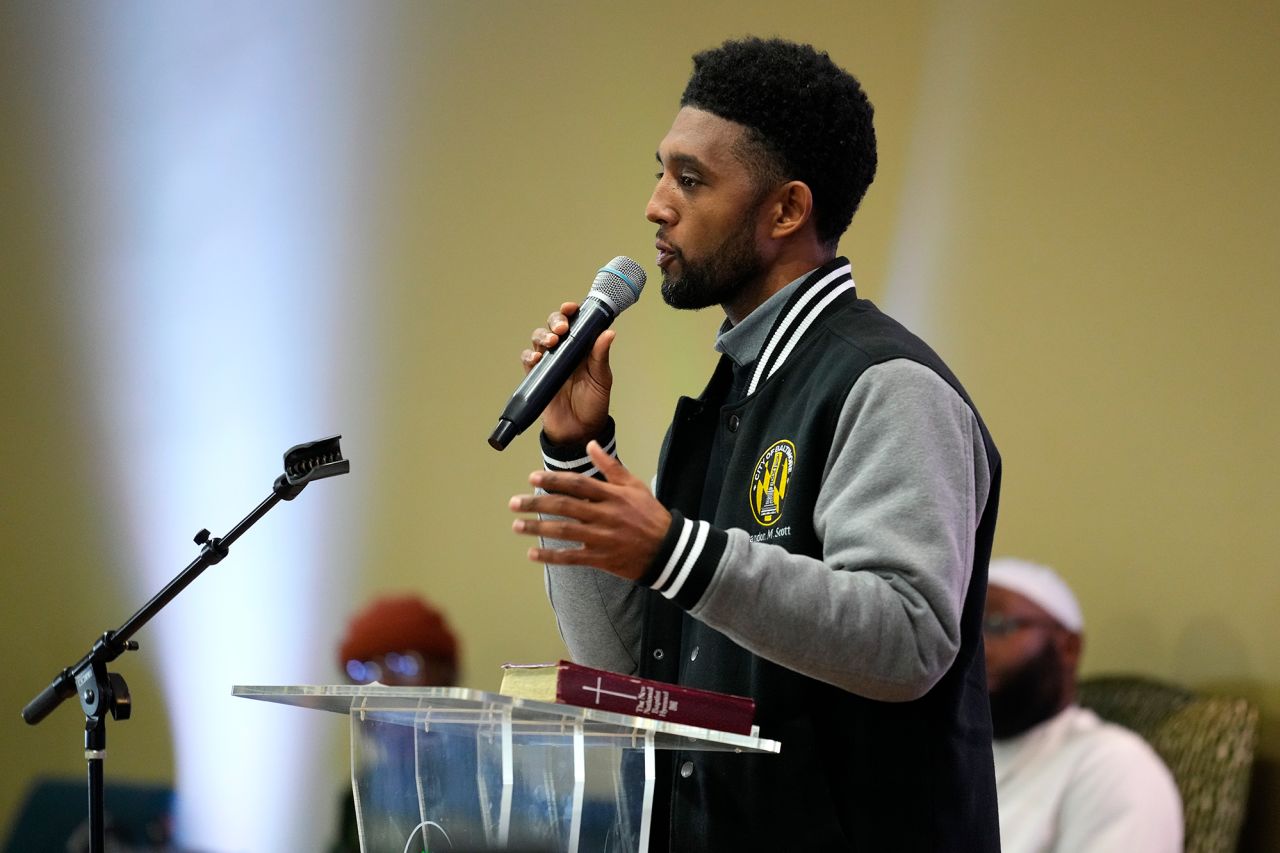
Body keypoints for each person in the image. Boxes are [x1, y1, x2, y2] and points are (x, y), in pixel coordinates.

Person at [509, 37, 1002, 850]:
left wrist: (679, 552)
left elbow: (910, 637)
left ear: (786, 210)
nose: (656, 205)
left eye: (691, 179)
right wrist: (574, 447)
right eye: (661, 170)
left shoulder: (888, 385)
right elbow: (634, 670)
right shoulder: (721, 403)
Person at [984, 557, 1183, 853]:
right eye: (962, 628)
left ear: (1068, 647)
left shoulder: (1112, 767)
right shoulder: (946, 757)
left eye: (996, 625)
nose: (973, 647)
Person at [329, 594, 460, 853]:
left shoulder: (492, 784)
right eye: (363, 671)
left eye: (403, 665)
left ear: (446, 677)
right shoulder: (358, 794)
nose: (380, 687)